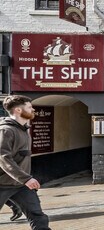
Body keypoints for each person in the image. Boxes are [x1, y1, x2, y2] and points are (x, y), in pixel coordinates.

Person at [0, 95, 51, 229]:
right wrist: (26, 179)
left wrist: (25, 180)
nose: (32, 109)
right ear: (18, 110)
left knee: (37, 216)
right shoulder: (6, 130)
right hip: (2, 183)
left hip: (20, 186)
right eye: (29, 107)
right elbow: (3, 157)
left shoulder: (23, 130)